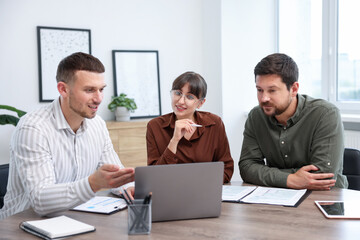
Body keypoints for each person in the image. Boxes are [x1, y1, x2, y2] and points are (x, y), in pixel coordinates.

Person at [0, 52, 135, 219]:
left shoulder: (97, 125)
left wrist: (128, 187)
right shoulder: (33, 128)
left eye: (101, 89)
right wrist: (93, 183)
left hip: (72, 220)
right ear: (63, 89)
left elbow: (115, 174)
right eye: (89, 90)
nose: (99, 98)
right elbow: (40, 200)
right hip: (21, 225)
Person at [239, 53, 348, 190]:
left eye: (272, 90)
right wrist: (290, 179)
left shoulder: (325, 114)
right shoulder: (256, 116)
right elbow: (246, 167)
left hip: (324, 197)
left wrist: (268, 174)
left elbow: (322, 175)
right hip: (276, 198)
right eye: (260, 90)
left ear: (294, 89)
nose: (263, 98)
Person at [146, 71, 234, 183]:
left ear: (201, 103)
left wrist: (195, 183)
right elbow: (154, 176)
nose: (181, 101)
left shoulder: (215, 123)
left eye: (189, 97)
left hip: (205, 191)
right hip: (171, 193)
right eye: (177, 93)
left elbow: (226, 169)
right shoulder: (154, 126)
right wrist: (174, 141)